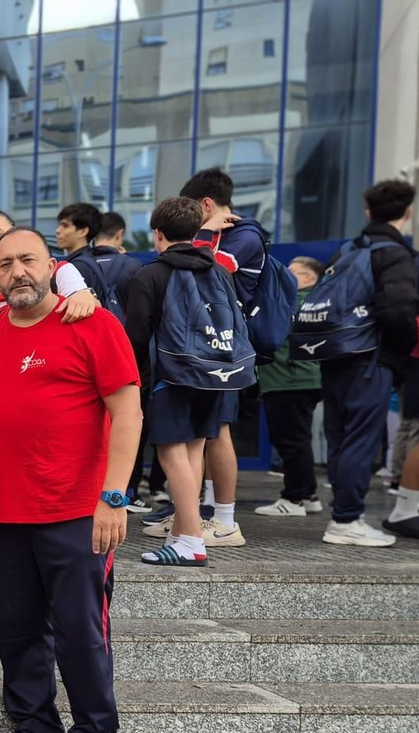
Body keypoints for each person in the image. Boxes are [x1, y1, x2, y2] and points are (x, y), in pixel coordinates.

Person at [0, 228, 141, 733]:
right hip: (2, 513)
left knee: (81, 632)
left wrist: (113, 497)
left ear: (52, 265)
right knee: (17, 630)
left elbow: (128, 413)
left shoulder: (92, 323)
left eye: (28, 260)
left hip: (76, 511)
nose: (17, 271)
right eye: (5, 264)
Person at [127, 198, 247, 566]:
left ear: (158, 234)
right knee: (194, 450)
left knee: (171, 453)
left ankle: (190, 542)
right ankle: (183, 530)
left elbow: (135, 335)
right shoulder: (219, 270)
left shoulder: (150, 274)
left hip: (172, 377)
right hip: (215, 375)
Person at [315, 180, 419, 546]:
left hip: (335, 354)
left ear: (367, 212)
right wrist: (400, 357)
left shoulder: (346, 250)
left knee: (340, 438)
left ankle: (342, 517)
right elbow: (401, 310)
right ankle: (346, 521)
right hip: (371, 359)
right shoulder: (395, 253)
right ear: (408, 213)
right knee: (361, 440)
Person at [179, 167, 265, 548]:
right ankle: (197, 513)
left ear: (207, 205)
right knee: (205, 430)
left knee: (219, 431)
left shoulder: (243, 237)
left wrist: (204, 232)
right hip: (209, 344)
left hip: (226, 347)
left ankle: (226, 521)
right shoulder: (225, 235)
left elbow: (202, 272)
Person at [255, 258, 326, 517]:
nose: (283, 277)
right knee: (298, 438)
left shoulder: (292, 303)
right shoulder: (315, 303)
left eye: (291, 273)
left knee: (291, 440)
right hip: (299, 379)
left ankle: (293, 498)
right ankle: (309, 494)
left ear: (308, 279)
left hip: (289, 379)